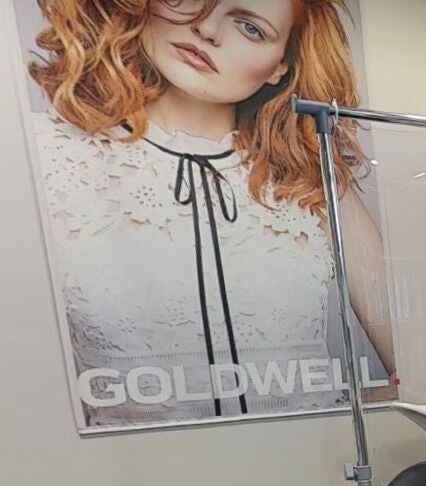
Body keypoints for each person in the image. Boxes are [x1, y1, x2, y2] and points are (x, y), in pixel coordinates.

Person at [28, 0, 395, 428]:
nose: (208, 31)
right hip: (127, 485)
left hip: (311, 477)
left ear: (280, 65)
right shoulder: (42, 153)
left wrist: (340, 437)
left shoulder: (308, 179)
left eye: (250, 28)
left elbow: (424, 367)